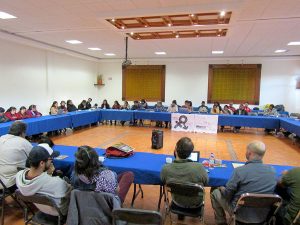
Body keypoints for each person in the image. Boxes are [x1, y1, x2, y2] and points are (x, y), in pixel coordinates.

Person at [211, 141, 276, 225]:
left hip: (240, 213)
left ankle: (221, 222)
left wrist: (221, 188)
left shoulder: (239, 171)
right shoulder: (272, 171)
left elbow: (227, 195)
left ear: (249, 153)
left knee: (215, 192)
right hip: (262, 215)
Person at [16, 145, 72, 216]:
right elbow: (70, 192)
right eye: (50, 159)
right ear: (42, 163)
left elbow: (39, 182)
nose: (51, 161)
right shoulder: (56, 182)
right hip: (58, 211)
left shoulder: (19, 176)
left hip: (40, 208)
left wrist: (48, 174)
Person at [161, 137, 208, 209]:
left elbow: (163, 180)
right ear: (190, 154)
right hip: (196, 203)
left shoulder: (166, 168)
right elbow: (206, 182)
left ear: (175, 150)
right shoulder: (199, 167)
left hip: (177, 201)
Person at [0, 121, 32, 192]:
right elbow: (34, 158)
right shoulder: (23, 142)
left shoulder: (1, 138)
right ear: (22, 132)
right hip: (10, 183)